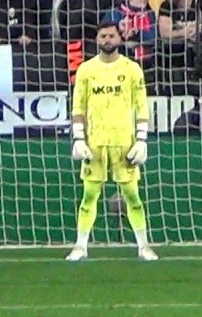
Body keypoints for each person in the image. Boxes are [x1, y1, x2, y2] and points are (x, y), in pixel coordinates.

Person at [66, 21, 156, 262]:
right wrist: (78, 137)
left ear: (119, 38)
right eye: (103, 36)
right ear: (97, 39)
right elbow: (78, 106)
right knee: (89, 195)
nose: (107, 39)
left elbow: (141, 105)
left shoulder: (132, 68)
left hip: (124, 142)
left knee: (132, 195)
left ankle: (143, 246)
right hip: (95, 143)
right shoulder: (86, 69)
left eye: (111, 35)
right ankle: (81, 246)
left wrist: (141, 140)